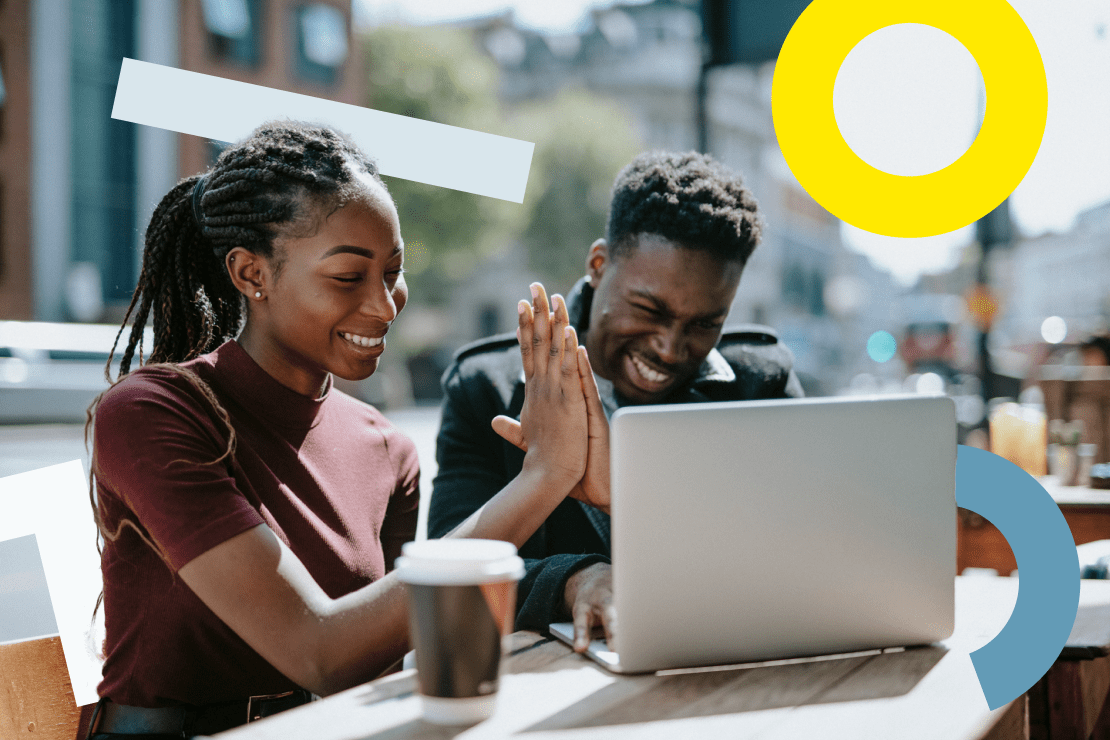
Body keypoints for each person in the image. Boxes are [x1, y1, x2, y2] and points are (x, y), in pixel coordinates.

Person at [86, 121, 599, 739]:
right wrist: (544, 477)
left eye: (393, 271)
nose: (385, 306)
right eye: (349, 277)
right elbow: (320, 651)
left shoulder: (387, 449)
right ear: (252, 274)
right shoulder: (152, 413)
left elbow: (379, 666)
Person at [428, 151, 803, 652]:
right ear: (599, 265)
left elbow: (798, 547)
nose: (670, 348)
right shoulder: (486, 389)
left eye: (704, 324)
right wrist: (573, 580)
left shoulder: (761, 383)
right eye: (648, 309)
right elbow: (450, 566)